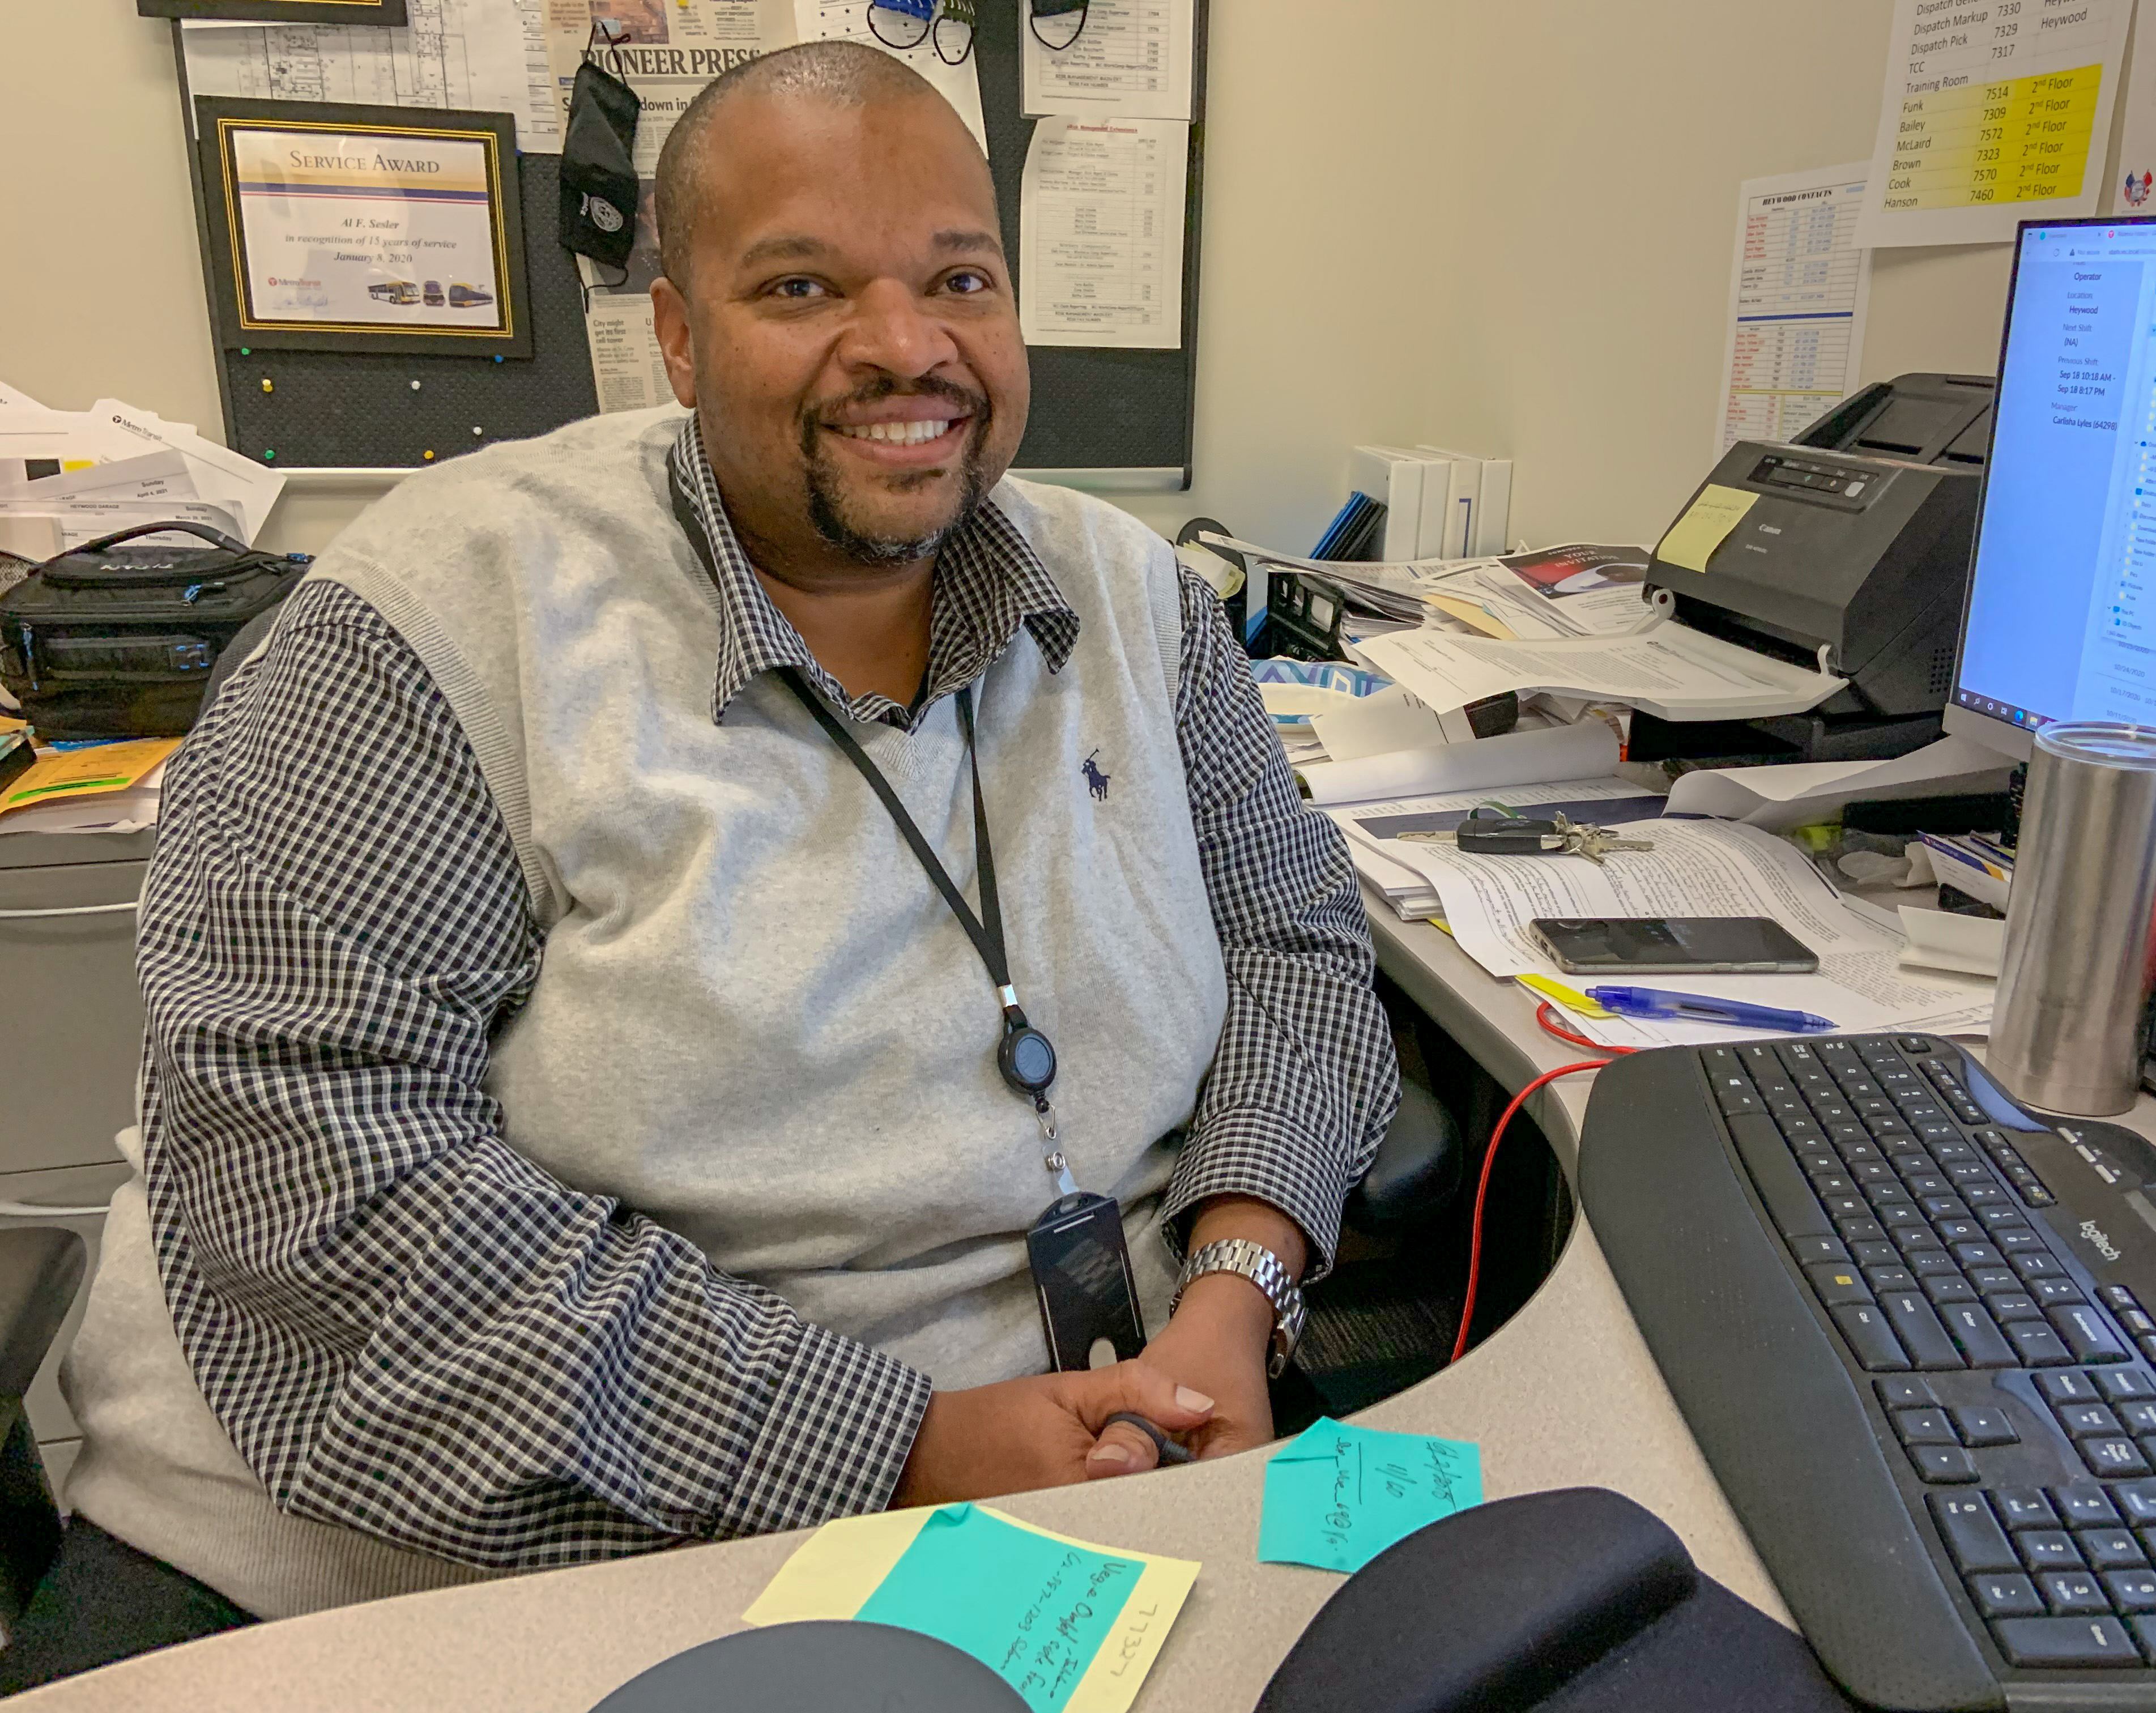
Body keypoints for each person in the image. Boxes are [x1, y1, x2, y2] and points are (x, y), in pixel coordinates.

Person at [10, 39, 1396, 1689]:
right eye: (802, 286)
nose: (906, 348)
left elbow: (1300, 946)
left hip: (1101, 1469)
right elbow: (329, 1197)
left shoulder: (1143, 605)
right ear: (674, 334)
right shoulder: (419, 635)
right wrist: (909, 1447)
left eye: (962, 276)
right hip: (455, 1547)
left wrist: (1231, 1304)